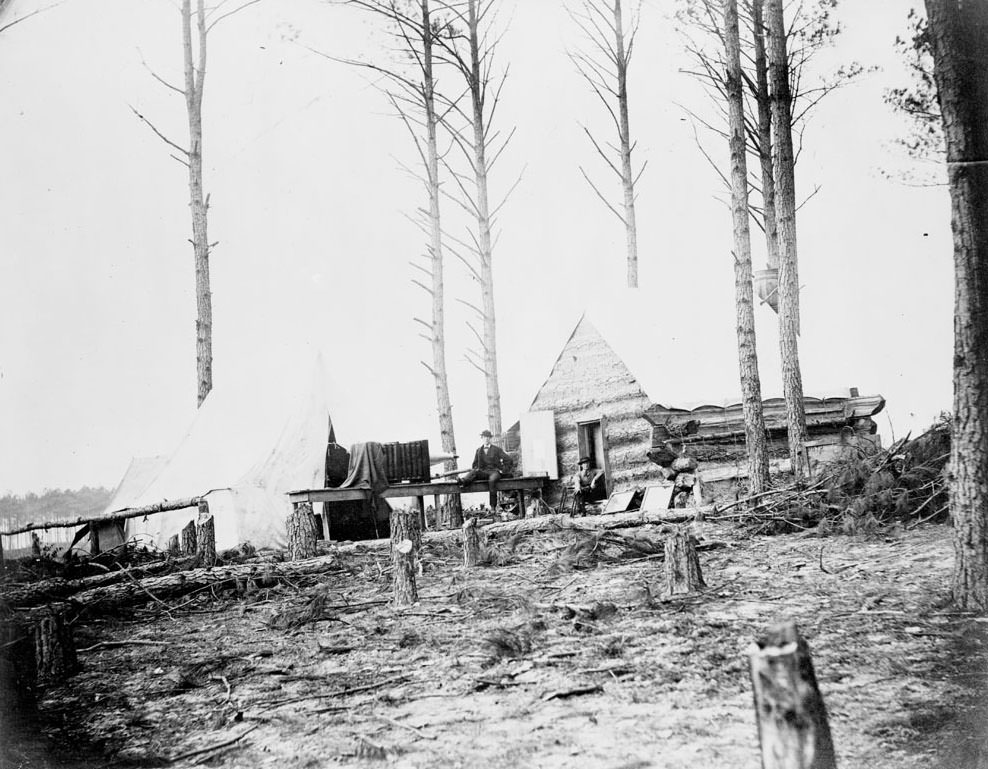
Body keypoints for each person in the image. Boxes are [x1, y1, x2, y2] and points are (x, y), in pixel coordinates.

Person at [459, 429, 511, 510]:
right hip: (484, 472)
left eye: (488, 437)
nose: (486, 439)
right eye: (484, 437)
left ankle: (493, 506)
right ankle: (463, 481)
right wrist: (477, 470)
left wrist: (503, 470)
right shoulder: (479, 450)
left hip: (495, 472)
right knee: (475, 471)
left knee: (492, 481)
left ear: (490, 439)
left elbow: (508, 460)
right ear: (482, 438)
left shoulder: (496, 449)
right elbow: (475, 464)